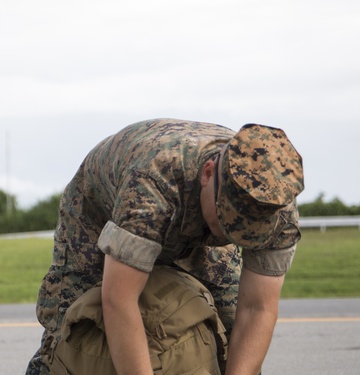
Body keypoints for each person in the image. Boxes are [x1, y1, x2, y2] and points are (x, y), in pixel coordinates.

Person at [26, 118, 304, 375]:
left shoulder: (277, 207)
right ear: (208, 174)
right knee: (70, 327)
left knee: (229, 331)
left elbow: (258, 309)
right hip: (100, 215)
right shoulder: (152, 185)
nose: (234, 235)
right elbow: (119, 300)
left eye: (247, 233)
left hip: (186, 212)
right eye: (228, 221)